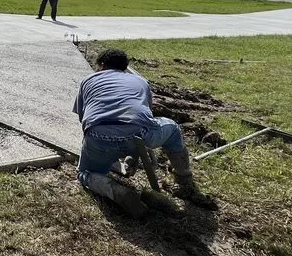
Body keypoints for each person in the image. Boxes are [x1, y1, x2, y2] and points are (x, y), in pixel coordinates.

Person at [73, 48, 208, 217]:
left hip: (98, 134)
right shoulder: (140, 81)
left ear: (102, 65)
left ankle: (117, 191)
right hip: (139, 133)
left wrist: (100, 147)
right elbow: (147, 116)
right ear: (125, 67)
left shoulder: (88, 80)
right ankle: (184, 177)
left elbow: (83, 119)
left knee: (85, 173)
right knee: (172, 128)